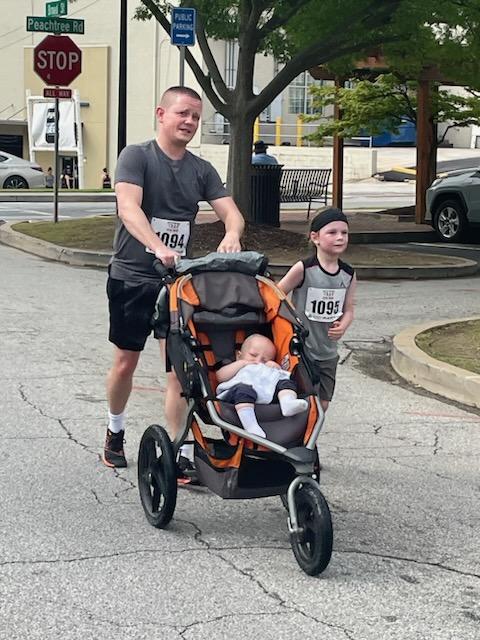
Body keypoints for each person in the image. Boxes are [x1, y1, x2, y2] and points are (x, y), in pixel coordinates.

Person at [103, 86, 244, 478]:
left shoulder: (201, 169)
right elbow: (127, 207)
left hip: (176, 284)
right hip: (133, 277)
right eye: (183, 114)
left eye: (196, 118)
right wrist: (155, 246)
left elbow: (231, 213)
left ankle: (177, 448)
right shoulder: (137, 156)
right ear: (161, 114)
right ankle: (115, 431)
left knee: (180, 371)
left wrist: (232, 232)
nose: (190, 123)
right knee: (125, 361)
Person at [277, 207, 357, 412]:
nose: (340, 237)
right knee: (304, 398)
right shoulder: (304, 268)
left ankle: (311, 441)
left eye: (344, 233)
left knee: (323, 402)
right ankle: (300, 440)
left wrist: (343, 326)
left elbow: (349, 309)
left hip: (328, 351)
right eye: (332, 232)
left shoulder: (348, 273)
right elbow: (277, 294)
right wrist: (290, 320)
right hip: (303, 348)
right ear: (315, 237)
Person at [216, 334, 308, 438]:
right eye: (253, 355)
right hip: (238, 395)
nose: (258, 361)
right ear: (239, 355)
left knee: (286, 382)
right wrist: (242, 363)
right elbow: (220, 376)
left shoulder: (265, 369)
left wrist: (276, 368)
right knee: (243, 390)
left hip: (266, 394)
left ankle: (287, 403)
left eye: (265, 360)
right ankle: (250, 425)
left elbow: (280, 377)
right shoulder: (239, 365)